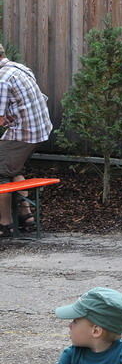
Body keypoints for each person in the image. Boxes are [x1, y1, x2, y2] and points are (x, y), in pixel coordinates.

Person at [0, 43, 52, 238]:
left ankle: (5, 224)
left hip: (24, 134)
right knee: (12, 167)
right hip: (39, 131)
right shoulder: (20, 68)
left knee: (0, 172)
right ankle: (26, 216)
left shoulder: (2, 79)